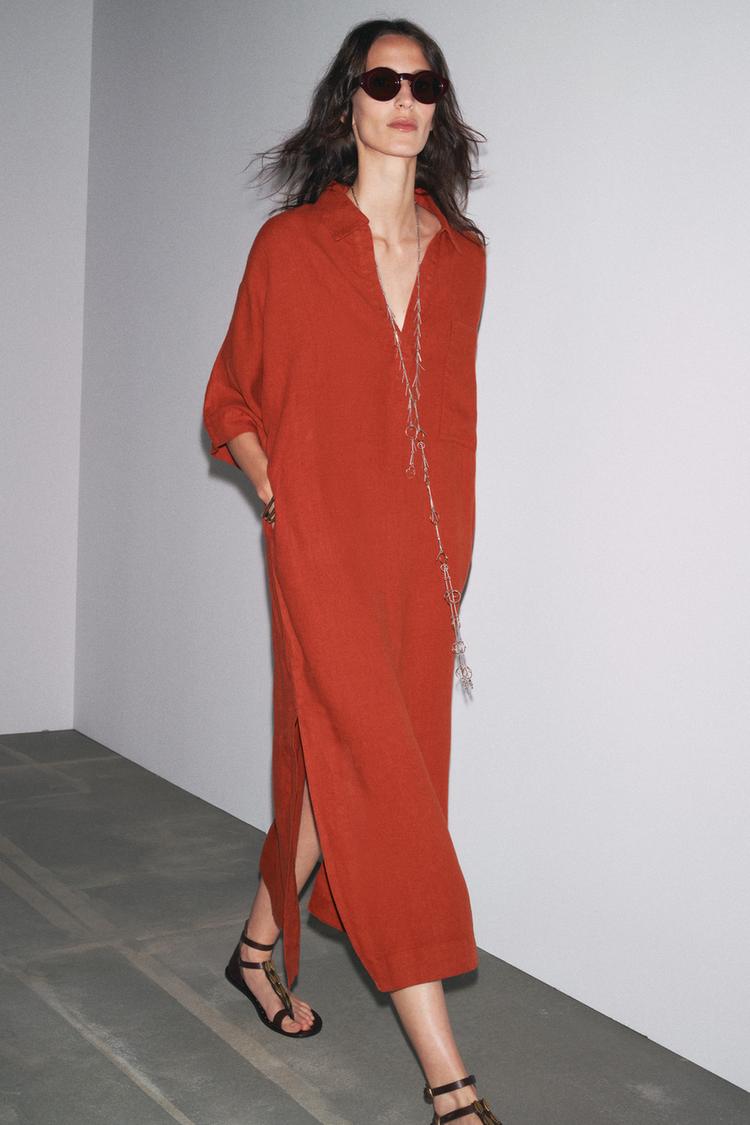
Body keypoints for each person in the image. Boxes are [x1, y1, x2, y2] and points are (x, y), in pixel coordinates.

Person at [203, 17, 498, 1124]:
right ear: (351, 104)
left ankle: (256, 947)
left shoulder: (463, 260)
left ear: (438, 107)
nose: (404, 98)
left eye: (424, 83)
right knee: (384, 780)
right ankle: (449, 1077)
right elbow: (228, 395)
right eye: (383, 80)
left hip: (422, 568)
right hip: (319, 548)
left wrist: (451, 558)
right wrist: (276, 488)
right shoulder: (290, 247)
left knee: (352, 760)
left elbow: (453, 424)